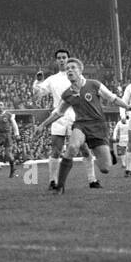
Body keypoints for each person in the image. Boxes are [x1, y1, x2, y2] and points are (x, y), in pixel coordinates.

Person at [35, 59, 131, 193]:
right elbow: (58, 113)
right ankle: (59, 187)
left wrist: (127, 106)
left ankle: (109, 153)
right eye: (68, 68)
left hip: (97, 126)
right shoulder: (67, 94)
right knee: (72, 147)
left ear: (80, 71)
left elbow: (112, 98)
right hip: (81, 125)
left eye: (73, 68)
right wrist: (42, 125)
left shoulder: (93, 84)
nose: (69, 70)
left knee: (105, 168)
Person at [31, 48, 82, 191]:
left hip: (75, 114)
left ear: (68, 59)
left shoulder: (77, 77)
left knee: (82, 148)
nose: (61, 60)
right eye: (59, 58)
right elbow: (38, 94)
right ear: (56, 60)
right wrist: (38, 81)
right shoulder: (52, 79)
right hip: (58, 115)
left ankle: (92, 179)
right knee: (56, 150)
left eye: (64, 57)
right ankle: (53, 181)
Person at [0, 100, 20, 178]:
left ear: (3, 106)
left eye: (1, 105)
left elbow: (14, 124)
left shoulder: (8, 114)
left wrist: (17, 134)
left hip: (7, 135)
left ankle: (13, 169)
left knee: (8, 154)